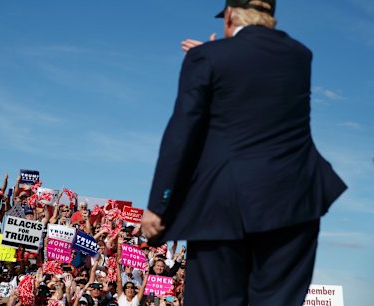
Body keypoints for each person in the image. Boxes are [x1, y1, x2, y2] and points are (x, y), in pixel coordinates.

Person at [141, 1, 347, 305]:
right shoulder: (300, 56)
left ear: (230, 15)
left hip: (224, 205)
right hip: (296, 200)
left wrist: (160, 204)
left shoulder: (207, 58)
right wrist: (216, 58)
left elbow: (184, 130)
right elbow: (254, 88)